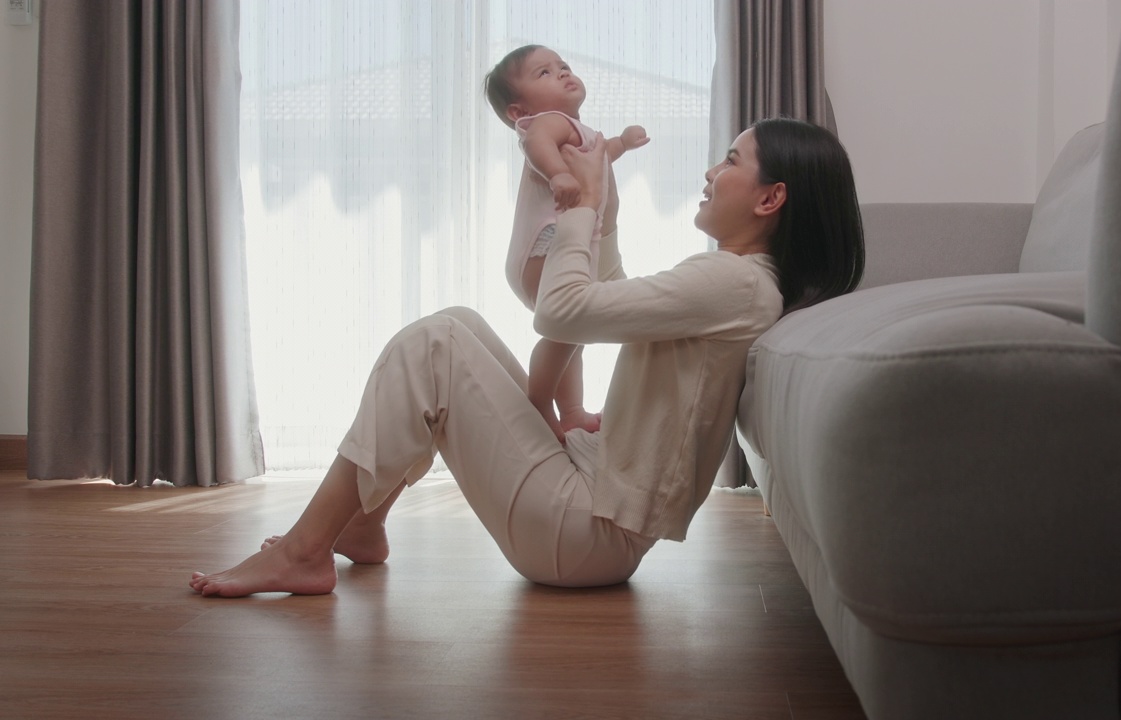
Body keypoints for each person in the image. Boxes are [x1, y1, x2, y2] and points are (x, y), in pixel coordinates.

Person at [189, 117, 865, 597]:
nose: (711, 171)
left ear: (771, 198)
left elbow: (562, 310)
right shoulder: (738, 283)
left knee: (435, 343)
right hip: (590, 511)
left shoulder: (735, 284)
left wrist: (583, 205)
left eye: (731, 161)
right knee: (458, 324)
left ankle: (308, 552)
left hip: (585, 534)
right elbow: (606, 299)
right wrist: (602, 210)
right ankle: (362, 526)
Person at [484, 44, 649, 443]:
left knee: (572, 333)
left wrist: (621, 144)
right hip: (546, 248)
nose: (561, 73)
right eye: (543, 73)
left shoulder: (579, 131)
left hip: (562, 250)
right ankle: (540, 398)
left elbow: (600, 155)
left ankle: (572, 411)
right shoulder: (547, 123)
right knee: (566, 331)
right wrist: (558, 173)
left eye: (563, 66)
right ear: (519, 112)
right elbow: (536, 145)